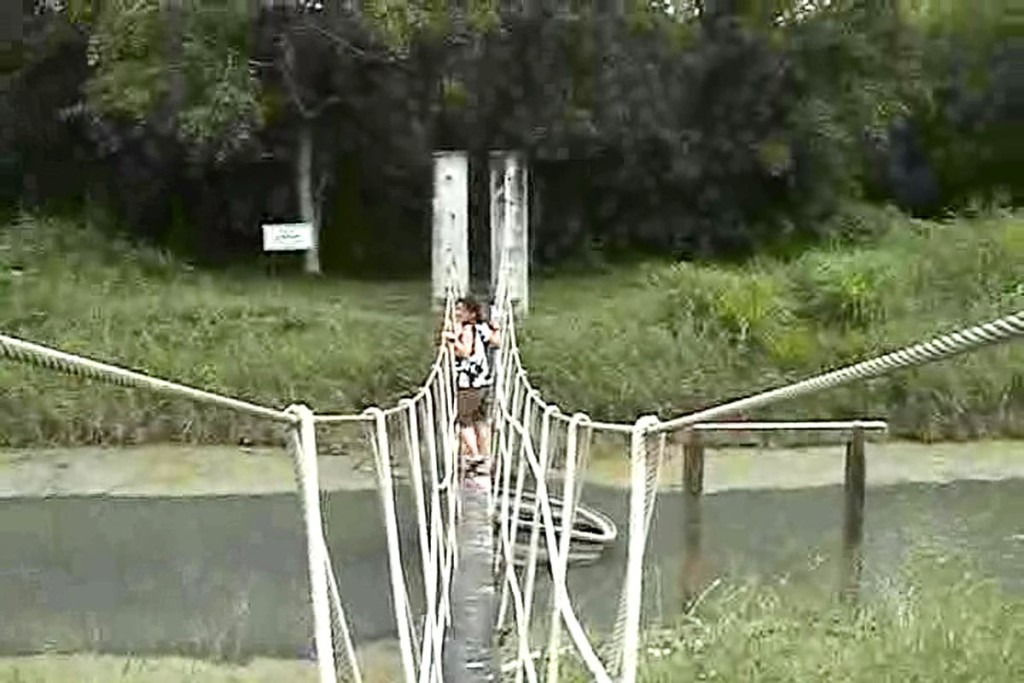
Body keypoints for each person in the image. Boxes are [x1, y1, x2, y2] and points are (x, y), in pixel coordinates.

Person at [442, 295, 499, 477]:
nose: (457, 313)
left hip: (468, 383)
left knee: (463, 419)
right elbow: (497, 341)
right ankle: (486, 458)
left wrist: (451, 340)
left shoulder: (467, 330)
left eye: (461, 310)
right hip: (483, 381)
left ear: (471, 313)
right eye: (456, 309)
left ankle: (475, 456)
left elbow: (465, 352)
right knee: (480, 420)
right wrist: (496, 328)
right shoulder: (482, 328)